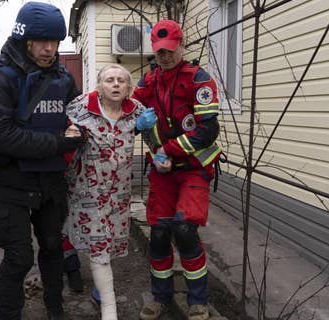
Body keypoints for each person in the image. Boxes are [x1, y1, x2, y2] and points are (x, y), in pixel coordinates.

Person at [0, 2, 85, 319]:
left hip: (50, 184)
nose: (49, 48)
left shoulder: (62, 79)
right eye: (41, 41)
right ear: (24, 39)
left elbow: (80, 118)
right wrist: (58, 142)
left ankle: (55, 309)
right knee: (19, 257)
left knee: (52, 248)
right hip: (9, 185)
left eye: (55, 41)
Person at [132, 19, 222, 320]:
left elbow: (208, 130)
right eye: (160, 52)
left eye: (170, 50)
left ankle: (198, 300)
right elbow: (126, 113)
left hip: (193, 167)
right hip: (162, 172)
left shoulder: (199, 78)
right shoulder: (147, 82)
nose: (166, 57)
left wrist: (166, 150)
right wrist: (134, 123)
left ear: (182, 45)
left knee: (184, 230)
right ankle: (160, 297)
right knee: (158, 233)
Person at [63, 64, 157, 320]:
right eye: (109, 80)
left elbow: (153, 141)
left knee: (111, 243)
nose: (115, 84)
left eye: (120, 81)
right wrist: (70, 133)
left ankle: (99, 292)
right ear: (99, 87)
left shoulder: (136, 111)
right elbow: (60, 132)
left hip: (118, 192)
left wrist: (156, 148)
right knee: (99, 244)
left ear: (128, 88)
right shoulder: (80, 106)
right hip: (87, 190)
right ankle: (109, 308)